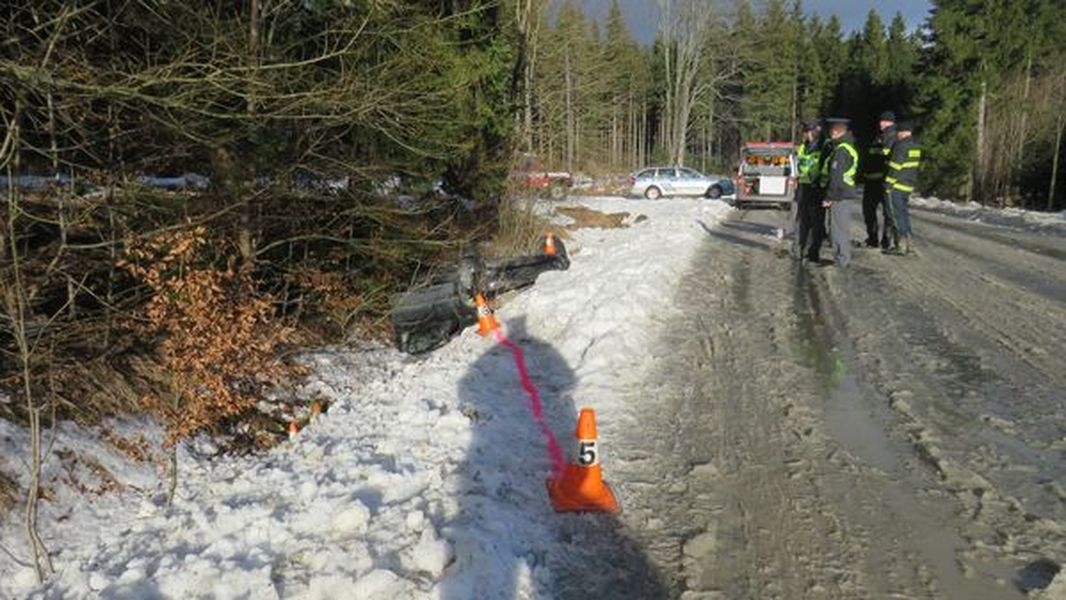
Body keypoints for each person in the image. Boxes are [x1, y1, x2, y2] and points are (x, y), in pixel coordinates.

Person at [811, 117, 858, 267]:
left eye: (832, 132)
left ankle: (841, 260)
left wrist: (829, 196)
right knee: (839, 228)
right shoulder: (848, 147)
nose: (830, 135)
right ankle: (841, 258)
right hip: (844, 193)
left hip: (840, 194)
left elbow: (836, 176)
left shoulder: (841, 150)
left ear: (836, 132)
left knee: (838, 229)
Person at [885, 120, 922, 255]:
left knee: (895, 215)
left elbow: (895, 167)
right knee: (904, 214)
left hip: (896, 186)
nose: (897, 135)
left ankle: (901, 244)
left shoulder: (901, 146)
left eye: (898, 132)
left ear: (903, 132)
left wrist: (888, 184)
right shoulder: (915, 146)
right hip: (908, 184)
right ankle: (909, 243)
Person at [862, 111, 896, 248]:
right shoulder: (879, 137)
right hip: (872, 180)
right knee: (869, 211)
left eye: (884, 121)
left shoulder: (892, 138)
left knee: (887, 212)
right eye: (881, 121)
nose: (881, 124)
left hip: (884, 181)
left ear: (891, 122)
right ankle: (873, 238)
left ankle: (885, 240)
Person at [793, 119, 823, 258]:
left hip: (816, 188)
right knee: (802, 221)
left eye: (808, 131)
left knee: (816, 221)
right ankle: (800, 248)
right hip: (803, 187)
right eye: (806, 132)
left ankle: (813, 251)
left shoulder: (823, 146)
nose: (806, 135)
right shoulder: (803, 147)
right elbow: (799, 165)